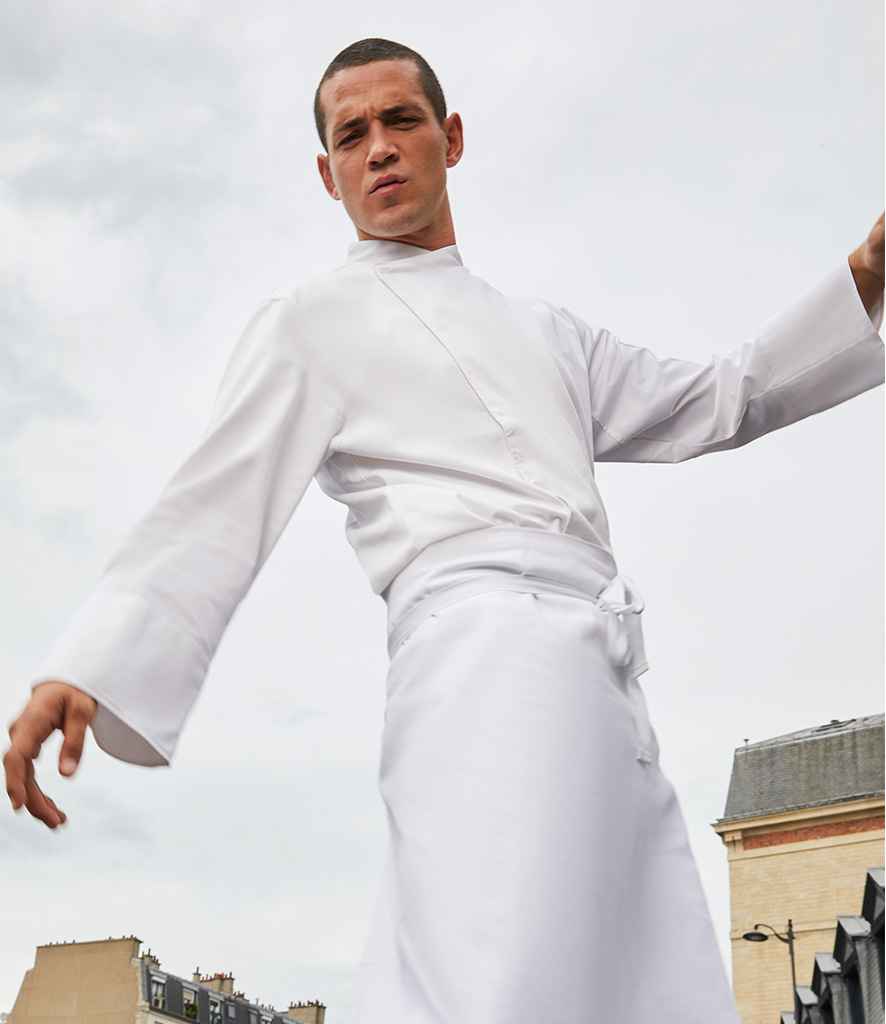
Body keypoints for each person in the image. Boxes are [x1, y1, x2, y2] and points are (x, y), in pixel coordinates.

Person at [4, 36, 884, 1022]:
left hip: (604, 682)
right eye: (351, 135)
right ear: (328, 174)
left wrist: (864, 273)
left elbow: (726, 396)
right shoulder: (311, 321)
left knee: (636, 981)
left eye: (400, 120)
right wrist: (88, 663)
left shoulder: (550, 333)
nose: (379, 146)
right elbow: (215, 498)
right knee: (492, 969)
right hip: (475, 666)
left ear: (450, 137)